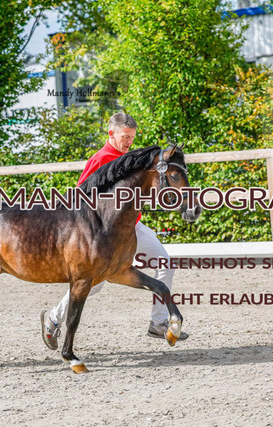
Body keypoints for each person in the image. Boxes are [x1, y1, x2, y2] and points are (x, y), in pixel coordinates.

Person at [40, 112, 188, 350]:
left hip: (133, 228)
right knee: (93, 284)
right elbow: (81, 194)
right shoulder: (100, 159)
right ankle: (53, 319)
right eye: (125, 137)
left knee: (165, 262)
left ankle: (159, 322)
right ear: (111, 134)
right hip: (103, 234)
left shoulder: (133, 158)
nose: (130, 141)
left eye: (132, 137)